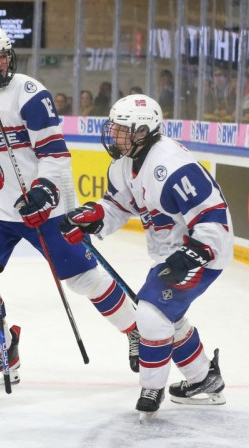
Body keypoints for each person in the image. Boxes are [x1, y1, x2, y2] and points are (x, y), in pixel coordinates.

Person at [0, 25, 140, 389]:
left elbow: (54, 153)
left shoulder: (30, 93)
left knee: (83, 279)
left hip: (44, 208)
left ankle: (137, 331)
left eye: (3, 54)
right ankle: (3, 352)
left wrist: (45, 191)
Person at [59, 94, 231, 420]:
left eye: (122, 130)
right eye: (114, 128)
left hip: (204, 250)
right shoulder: (125, 164)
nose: (114, 135)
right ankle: (204, 379)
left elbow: (213, 216)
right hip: (170, 251)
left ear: (142, 131)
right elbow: (117, 206)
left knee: (151, 313)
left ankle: (151, 388)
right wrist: (92, 216)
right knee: (171, 317)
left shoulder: (171, 167)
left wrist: (192, 255)